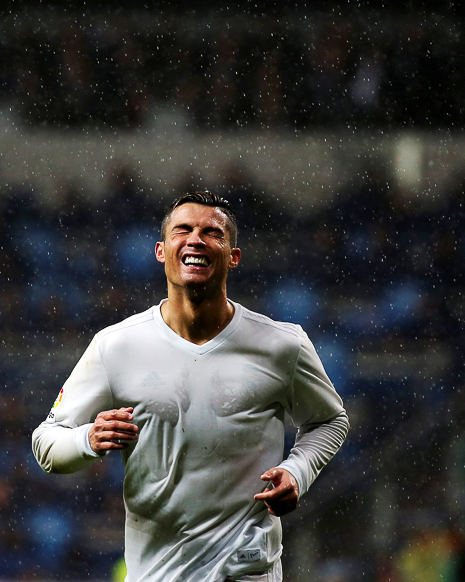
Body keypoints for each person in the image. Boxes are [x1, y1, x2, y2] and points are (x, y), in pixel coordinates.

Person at [32, 191, 349, 582]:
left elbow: (330, 420)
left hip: (247, 567)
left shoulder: (282, 344)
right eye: (183, 230)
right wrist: (88, 440)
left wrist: (297, 471)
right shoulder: (117, 345)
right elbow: (46, 442)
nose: (196, 239)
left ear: (233, 256)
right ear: (162, 251)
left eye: (211, 232)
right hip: (157, 572)